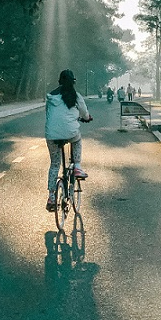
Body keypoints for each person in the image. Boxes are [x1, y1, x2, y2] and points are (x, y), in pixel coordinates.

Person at [45, 69, 92, 212]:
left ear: (59, 81)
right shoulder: (76, 96)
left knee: (55, 164)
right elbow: (84, 113)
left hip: (52, 134)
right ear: (73, 82)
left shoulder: (51, 97)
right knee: (77, 140)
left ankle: (52, 197)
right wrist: (87, 118)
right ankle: (77, 166)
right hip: (70, 133)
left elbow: (48, 114)